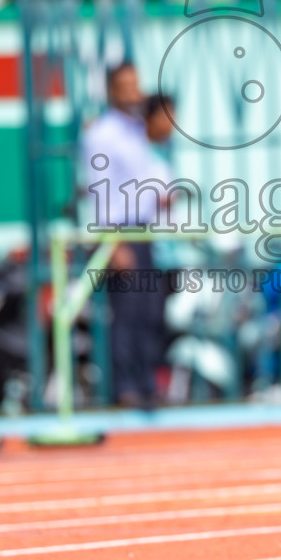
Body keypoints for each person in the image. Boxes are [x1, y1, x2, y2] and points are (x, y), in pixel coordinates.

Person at [80, 64, 171, 410]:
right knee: (128, 314)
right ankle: (126, 387)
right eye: (126, 86)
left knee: (149, 311)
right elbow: (101, 192)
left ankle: (147, 382)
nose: (134, 92)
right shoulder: (102, 135)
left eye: (137, 84)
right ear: (112, 91)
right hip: (120, 233)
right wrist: (113, 243)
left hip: (144, 230)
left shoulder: (136, 131)